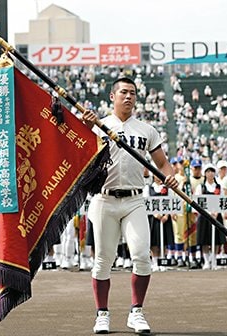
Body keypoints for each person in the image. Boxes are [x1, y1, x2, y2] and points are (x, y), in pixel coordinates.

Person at [81, 77, 179, 335]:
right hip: (104, 199)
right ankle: (102, 315)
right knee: (103, 259)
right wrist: (86, 127)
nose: (128, 97)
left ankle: (137, 312)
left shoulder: (146, 130)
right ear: (112, 96)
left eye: (133, 93)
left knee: (142, 255)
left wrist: (169, 176)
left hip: (135, 199)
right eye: (123, 92)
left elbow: (162, 163)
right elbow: (80, 154)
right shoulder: (98, 125)